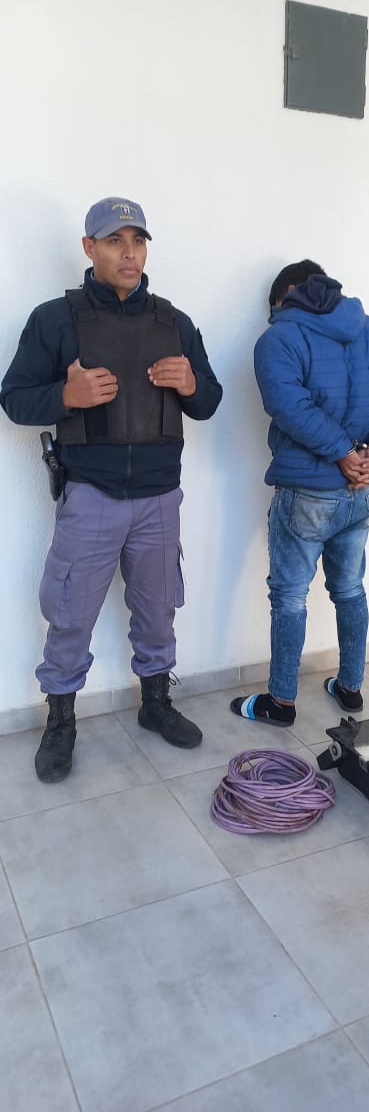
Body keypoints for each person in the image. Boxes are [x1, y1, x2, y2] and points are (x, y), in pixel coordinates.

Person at [1, 197, 222, 782]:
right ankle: (61, 721)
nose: (129, 253)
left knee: (158, 608)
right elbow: (14, 398)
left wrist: (192, 383)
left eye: (138, 241)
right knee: (70, 612)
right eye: (114, 241)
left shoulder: (174, 322)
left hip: (159, 497)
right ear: (89, 247)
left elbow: (209, 401)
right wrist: (64, 397)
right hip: (91, 494)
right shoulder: (55, 319)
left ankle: (156, 703)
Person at [231, 259, 369, 728]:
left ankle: (281, 703)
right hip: (360, 493)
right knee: (350, 589)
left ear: (289, 293)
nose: (274, 317)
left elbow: (287, 404)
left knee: (290, 596)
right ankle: (350, 687)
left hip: (307, 493)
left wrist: (344, 452)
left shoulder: (278, 339)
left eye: (275, 307)